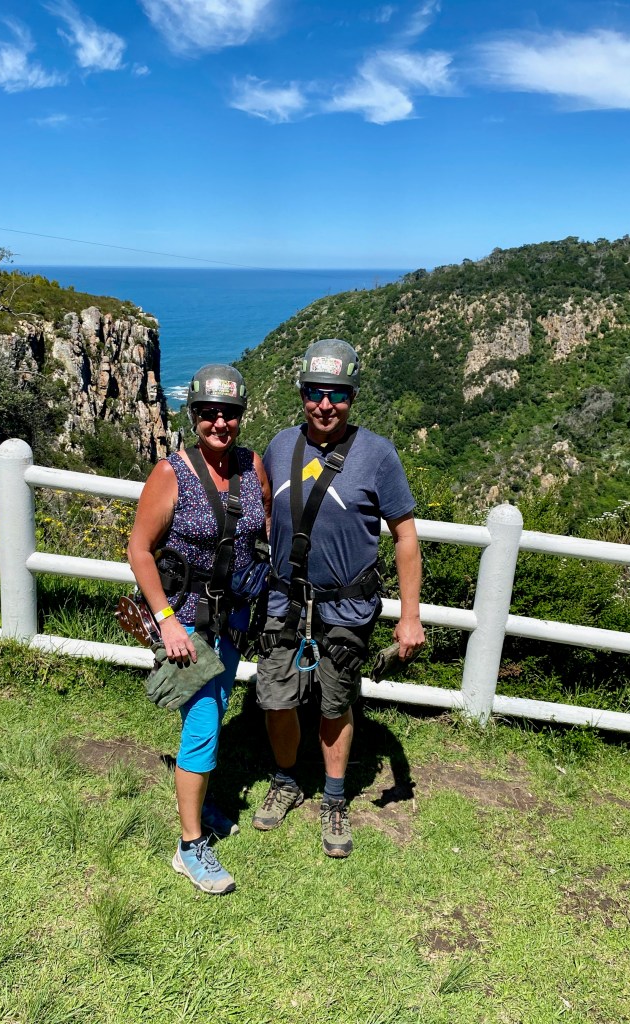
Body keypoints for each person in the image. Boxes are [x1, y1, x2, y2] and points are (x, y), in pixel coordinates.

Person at [252, 338, 425, 857]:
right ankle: (286, 780)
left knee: (335, 702)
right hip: (284, 601)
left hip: (346, 606)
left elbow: (406, 537)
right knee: (276, 698)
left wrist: (410, 616)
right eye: (315, 392)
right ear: (302, 393)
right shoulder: (281, 446)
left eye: (337, 394)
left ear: (352, 396)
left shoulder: (377, 454)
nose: (325, 404)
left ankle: (333, 799)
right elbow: (262, 516)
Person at [128, 364, 270, 894]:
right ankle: (190, 847)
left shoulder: (251, 466)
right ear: (194, 415)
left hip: (233, 618)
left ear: (240, 416)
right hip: (187, 622)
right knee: (204, 723)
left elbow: (262, 530)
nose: (219, 423)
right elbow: (139, 550)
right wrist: (165, 621)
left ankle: (201, 802)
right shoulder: (171, 473)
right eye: (208, 413)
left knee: (216, 708)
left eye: (229, 413)